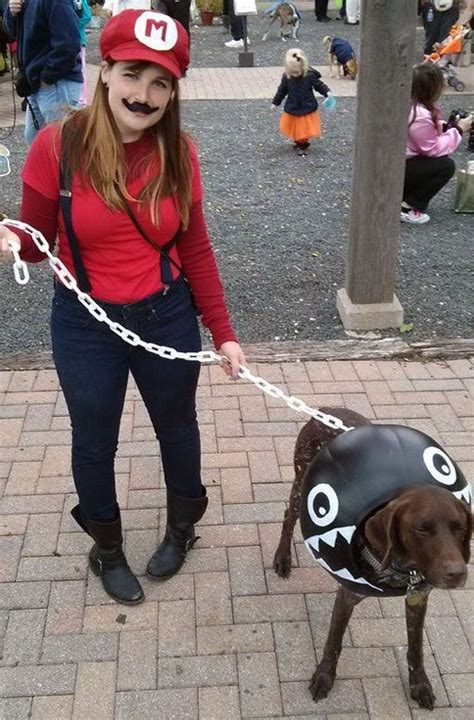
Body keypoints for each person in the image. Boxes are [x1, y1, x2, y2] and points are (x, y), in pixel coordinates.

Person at [0, 9, 245, 605]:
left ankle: (182, 528)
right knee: (93, 437)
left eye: (161, 82)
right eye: (133, 74)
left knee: (177, 428)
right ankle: (106, 547)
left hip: (166, 315)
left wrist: (224, 331)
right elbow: (36, 244)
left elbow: (196, 246)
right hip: (85, 322)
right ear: (104, 70)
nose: (145, 94)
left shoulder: (178, 152)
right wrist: (11, 238)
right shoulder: (56, 147)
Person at [3, 0, 82, 145]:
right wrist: (12, 14)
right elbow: (12, 33)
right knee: (35, 141)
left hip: (56, 83)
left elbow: (69, 44)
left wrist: (47, 77)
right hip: (36, 84)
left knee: (59, 147)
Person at [402, 63, 472, 224]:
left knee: (437, 162)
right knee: (445, 166)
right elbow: (431, 148)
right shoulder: (418, 115)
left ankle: (404, 196)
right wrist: (459, 130)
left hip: (395, 162)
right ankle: (407, 207)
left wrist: (448, 127)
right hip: (398, 168)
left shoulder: (411, 105)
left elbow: (424, 135)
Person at [271, 48, 331, 156]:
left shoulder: (310, 76)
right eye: (292, 73)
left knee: (304, 127)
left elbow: (319, 86)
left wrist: (327, 93)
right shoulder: (287, 77)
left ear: (303, 66)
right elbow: (282, 91)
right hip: (293, 105)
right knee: (294, 126)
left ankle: (303, 144)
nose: (294, 75)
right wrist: (275, 103)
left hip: (306, 106)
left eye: (297, 72)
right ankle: (299, 141)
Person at [76, 0, 92, 106]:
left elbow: (87, 16)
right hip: (65, 39)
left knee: (81, 70)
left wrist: (71, 23)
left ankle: (82, 99)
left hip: (79, 40)